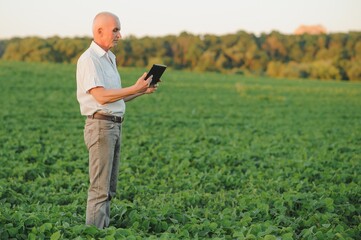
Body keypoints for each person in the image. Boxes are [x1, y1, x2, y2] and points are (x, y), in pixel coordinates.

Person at [76, 11, 158, 228]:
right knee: (99, 189)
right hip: (101, 127)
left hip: (112, 126)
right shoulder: (89, 60)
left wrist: (141, 90)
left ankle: (101, 230)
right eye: (115, 30)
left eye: (119, 30)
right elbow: (101, 96)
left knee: (109, 188)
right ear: (99, 31)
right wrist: (133, 87)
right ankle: (94, 234)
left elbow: (115, 97)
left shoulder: (109, 59)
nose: (119, 35)